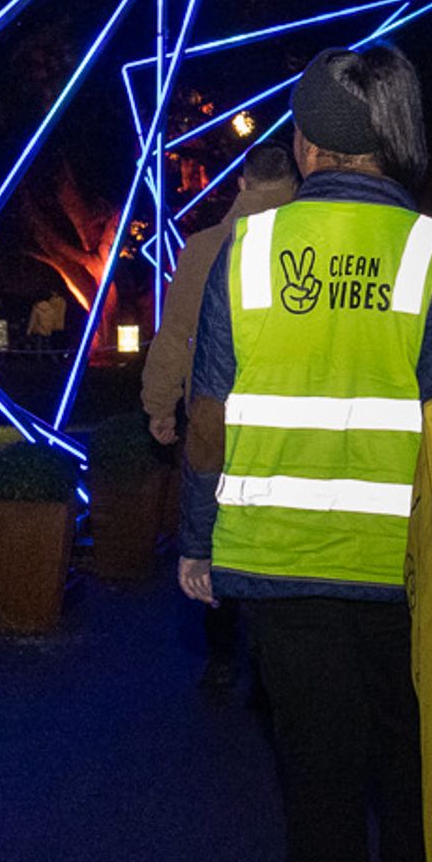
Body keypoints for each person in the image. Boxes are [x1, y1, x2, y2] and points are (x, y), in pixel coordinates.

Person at [178, 47, 432, 862]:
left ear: (305, 144)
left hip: (282, 561)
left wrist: (198, 540)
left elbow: (208, 415)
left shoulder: (249, 254)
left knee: (316, 782)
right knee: (409, 770)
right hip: (405, 565)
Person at [142, 141, 299, 695]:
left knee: (216, 539)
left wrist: (159, 405)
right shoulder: (306, 247)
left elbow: (177, 336)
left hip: (216, 420)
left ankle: (222, 656)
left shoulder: (205, 248)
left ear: (241, 183)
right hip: (289, 424)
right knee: (276, 545)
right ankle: (270, 664)